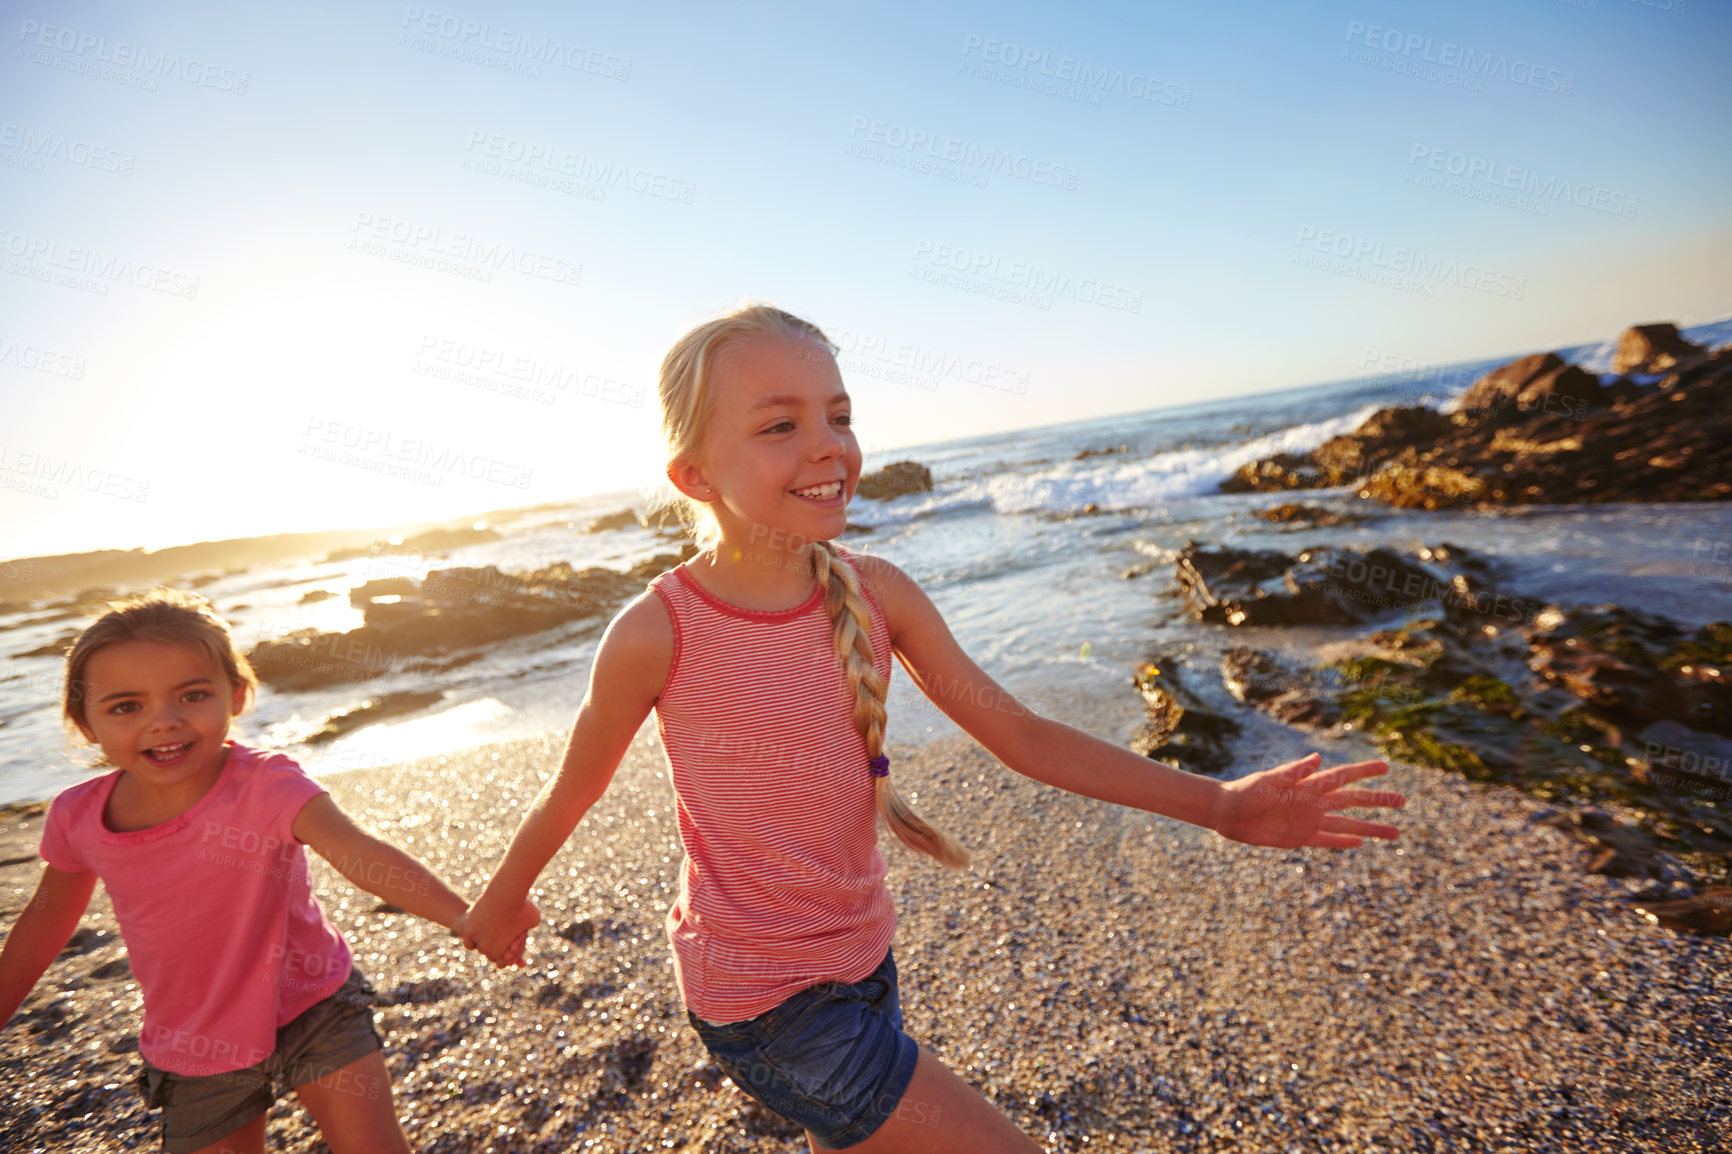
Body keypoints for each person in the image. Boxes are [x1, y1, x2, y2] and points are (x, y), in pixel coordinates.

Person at [463, 304, 1406, 1151]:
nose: (829, 444)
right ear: (694, 473)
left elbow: (1025, 737)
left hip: (864, 956)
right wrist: (503, 898)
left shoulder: (879, 595)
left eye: (841, 415)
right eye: (781, 425)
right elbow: (575, 784)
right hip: (764, 1002)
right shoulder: (658, 632)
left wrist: (1219, 805)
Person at [0, 589, 519, 1154]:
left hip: (314, 1001)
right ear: (85, 723)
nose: (164, 722)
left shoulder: (267, 784)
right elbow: (46, 922)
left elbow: (357, 852)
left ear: (238, 695)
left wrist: (464, 914)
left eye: (192, 695)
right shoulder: (79, 817)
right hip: (194, 1038)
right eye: (127, 706)